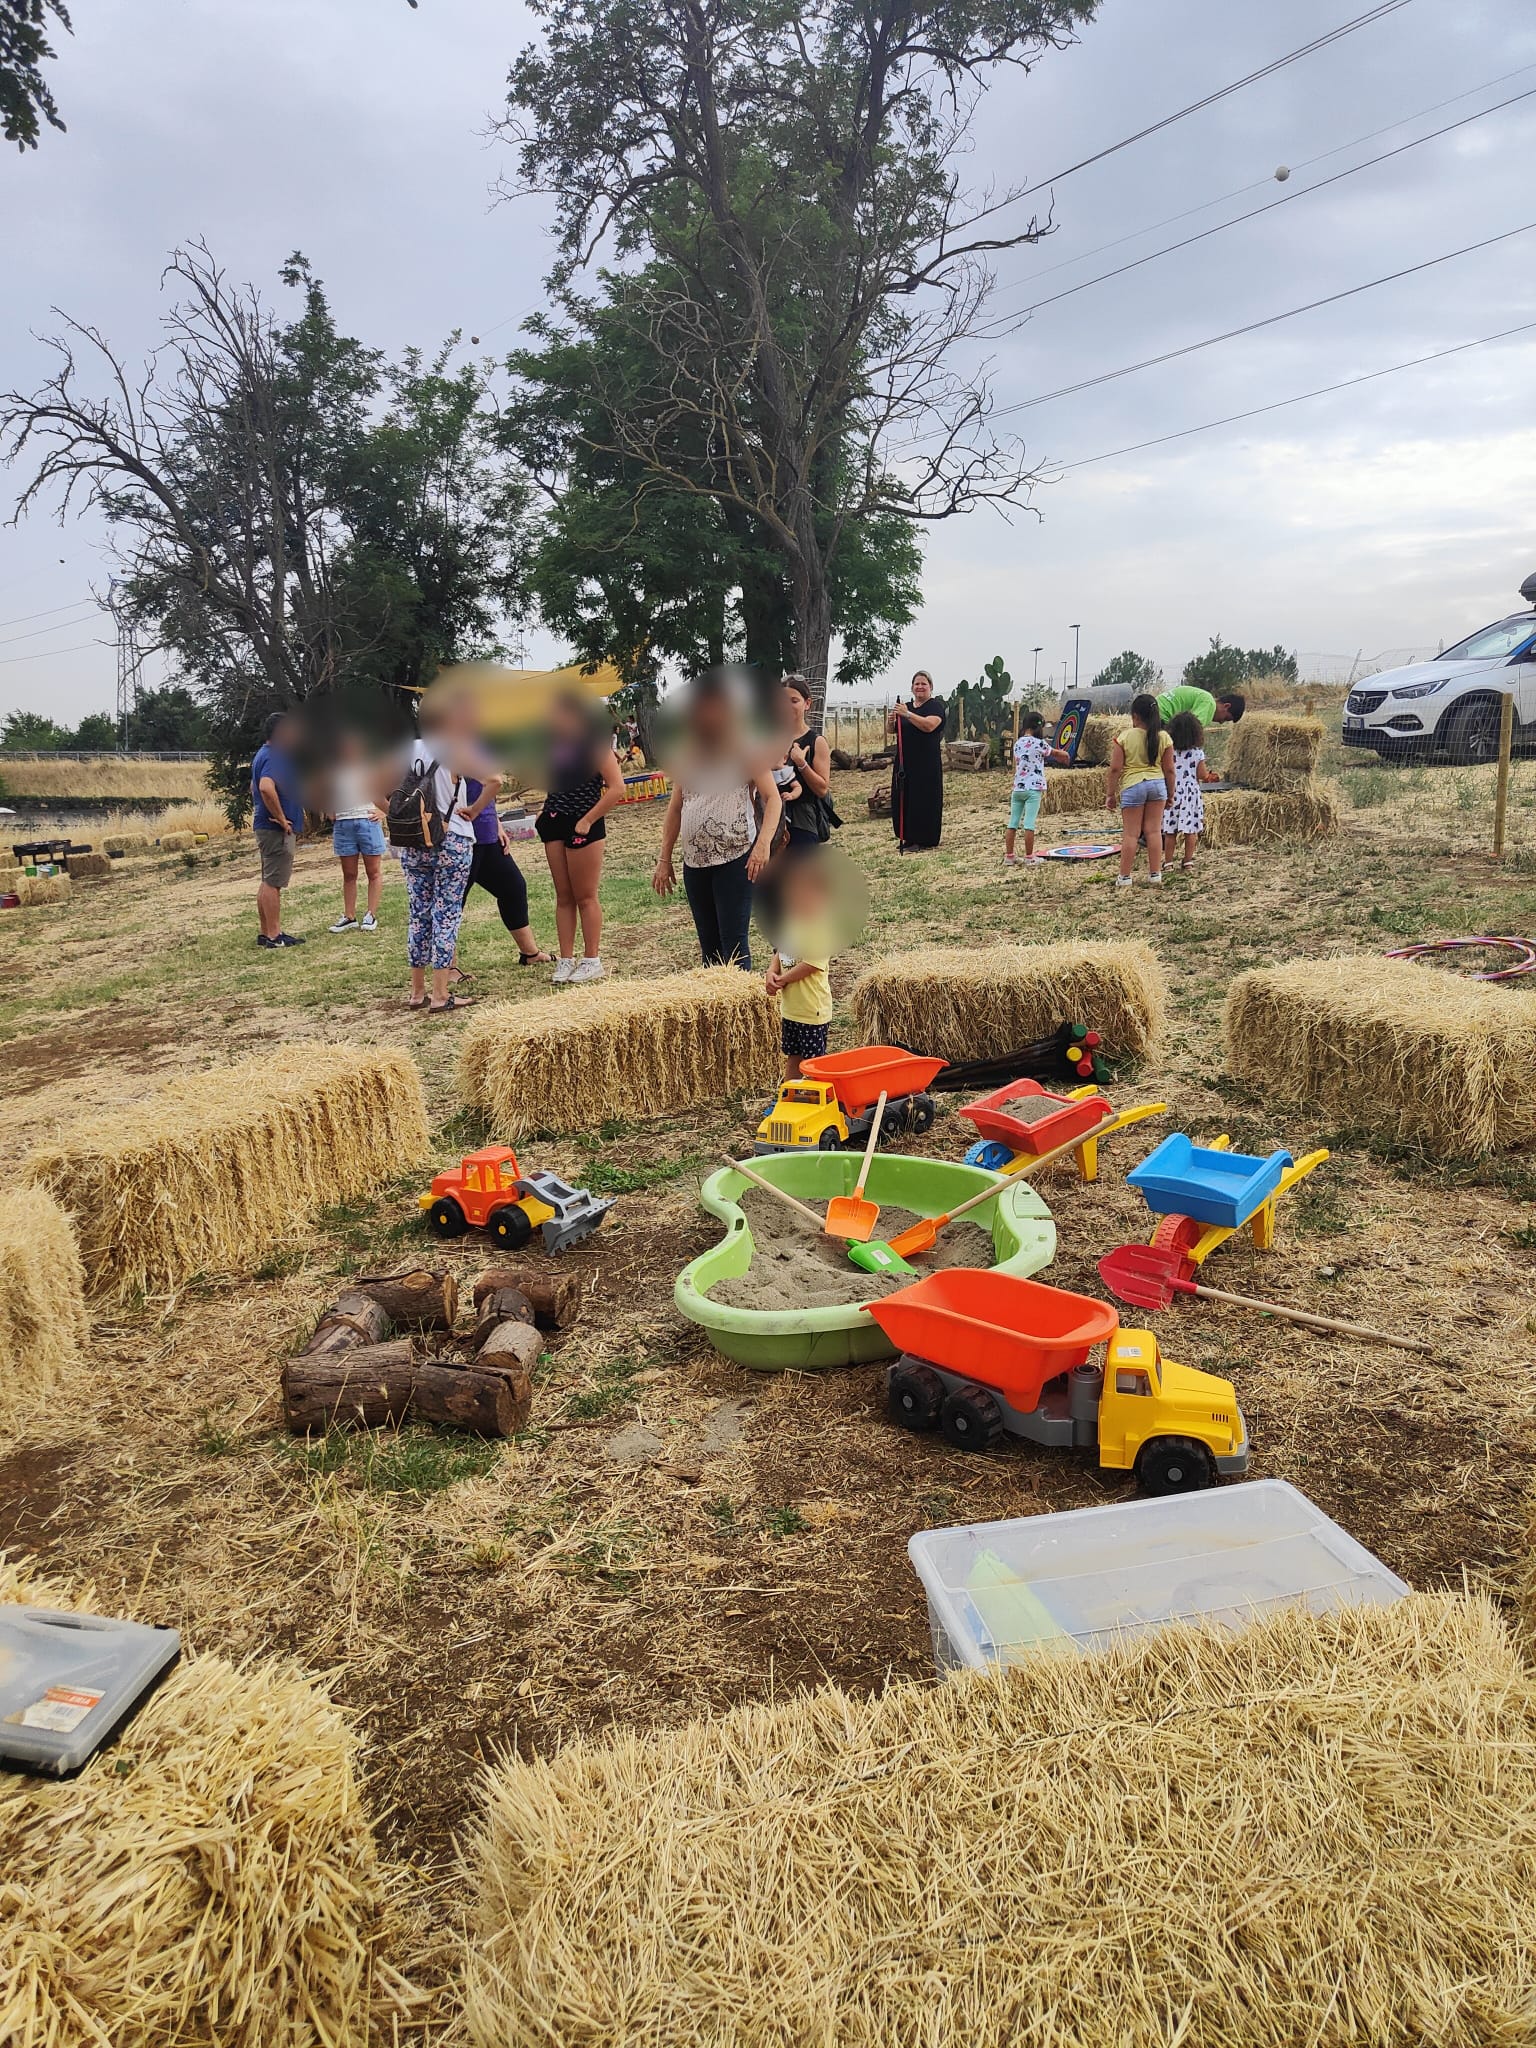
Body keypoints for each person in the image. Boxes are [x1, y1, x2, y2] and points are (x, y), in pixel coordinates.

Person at [652, 669, 782, 970]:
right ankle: (715, 1011)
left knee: (733, 943)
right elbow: (676, 808)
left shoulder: (746, 748)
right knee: (708, 946)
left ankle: (742, 1009)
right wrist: (665, 857)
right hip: (695, 862)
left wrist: (763, 844)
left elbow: (772, 798)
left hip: (735, 857)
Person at [399, 691, 491, 1015]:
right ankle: (440, 994)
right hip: (452, 839)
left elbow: (373, 785)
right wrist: (475, 809)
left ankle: (416, 991)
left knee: (418, 914)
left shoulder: (406, 750)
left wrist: (396, 815)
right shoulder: (456, 749)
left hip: (413, 842)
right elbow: (493, 779)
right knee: (446, 914)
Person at [536, 692, 626, 985]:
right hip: (554, 822)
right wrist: (543, 810)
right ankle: (565, 959)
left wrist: (587, 820)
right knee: (563, 896)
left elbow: (617, 788)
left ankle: (592, 959)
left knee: (585, 895)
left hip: (584, 824)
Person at [459, 771, 550, 968]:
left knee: (513, 888)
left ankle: (530, 953)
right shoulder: (451, 750)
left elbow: (488, 788)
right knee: (452, 904)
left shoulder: (480, 746)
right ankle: (447, 968)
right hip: (460, 836)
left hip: (486, 834)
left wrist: (497, 825)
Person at [766, 852, 835, 1077]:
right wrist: (771, 972)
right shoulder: (792, 921)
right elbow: (781, 950)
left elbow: (812, 964)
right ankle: (788, 1099)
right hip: (792, 1009)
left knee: (814, 1063)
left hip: (811, 1011)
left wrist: (783, 980)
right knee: (793, 1056)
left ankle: (816, 1103)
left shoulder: (820, 928)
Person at [1106, 692, 1175, 887]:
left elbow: (1115, 769)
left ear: (1135, 716)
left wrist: (1110, 794)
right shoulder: (1164, 738)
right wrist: (1170, 794)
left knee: (1131, 834)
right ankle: (1155, 875)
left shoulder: (1125, 736)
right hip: (1157, 785)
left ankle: (1125, 877)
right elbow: (1169, 769)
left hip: (1133, 785)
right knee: (1153, 831)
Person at [251, 708, 305, 949]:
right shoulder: (275, 756)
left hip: (265, 826)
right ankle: (274, 935)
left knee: (267, 879)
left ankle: (266, 932)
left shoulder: (263, 754)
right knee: (274, 881)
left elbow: (253, 787)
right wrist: (282, 819)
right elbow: (264, 787)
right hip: (275, 830)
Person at [328, 730, 386, 934]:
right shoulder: (335, 770)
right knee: (349, 873)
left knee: (373, 871)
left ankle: (370, 914)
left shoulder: (370, 767)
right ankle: (349, 916)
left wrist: (383, 811)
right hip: (344, 824)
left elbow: (389, 789)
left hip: (366, 821)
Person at [889, 670, 947, 851]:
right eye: (917, 684)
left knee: (923, 799)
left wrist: (907, 715)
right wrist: (891, 720)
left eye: (924, 684)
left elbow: (929, 725)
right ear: (912, 687)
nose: (920, 687)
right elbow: (892, 730)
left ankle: (923, 839)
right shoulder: (905, 706)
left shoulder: (934, 706)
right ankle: (907, 837)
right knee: (904, 797)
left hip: (926, 763)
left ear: (931, 687)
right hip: (905, 762)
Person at [1005, 709, 1070, 868]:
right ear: (1038, 727)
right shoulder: (1040, 743)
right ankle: (1029, 857)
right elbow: (1055, 753)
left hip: (1018, 788)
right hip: (1033, 789)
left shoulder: (1018, 743)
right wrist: (1066, 755)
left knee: (1013, 823)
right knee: (1029, 823)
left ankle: (1009, 856)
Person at [778, 673, 835, 850]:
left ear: (807, 704)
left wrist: (802, 764)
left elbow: (821, 788)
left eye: (794, 701)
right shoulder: (772, 740)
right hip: (772, 821)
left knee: (800, 875)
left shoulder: (816, 741)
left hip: (803, 822)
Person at [1162, 709, 1221, 874]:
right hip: (1190, 795)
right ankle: (1187, 861)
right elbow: (1202, 775)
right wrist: (1210, 776)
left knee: (1170, 830)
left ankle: (1168, 862)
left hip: (1172, 792)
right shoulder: (1197, 753)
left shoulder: (1169, 751)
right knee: (1191, 830)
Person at [1157, 683, 1245, 729]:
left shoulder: (1204, 696)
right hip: (1163, 716)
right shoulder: (1209, 704)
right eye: (1226, 718)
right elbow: (1193, 728)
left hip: (1156, 707)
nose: (1221, 722)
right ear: (1226, 706)